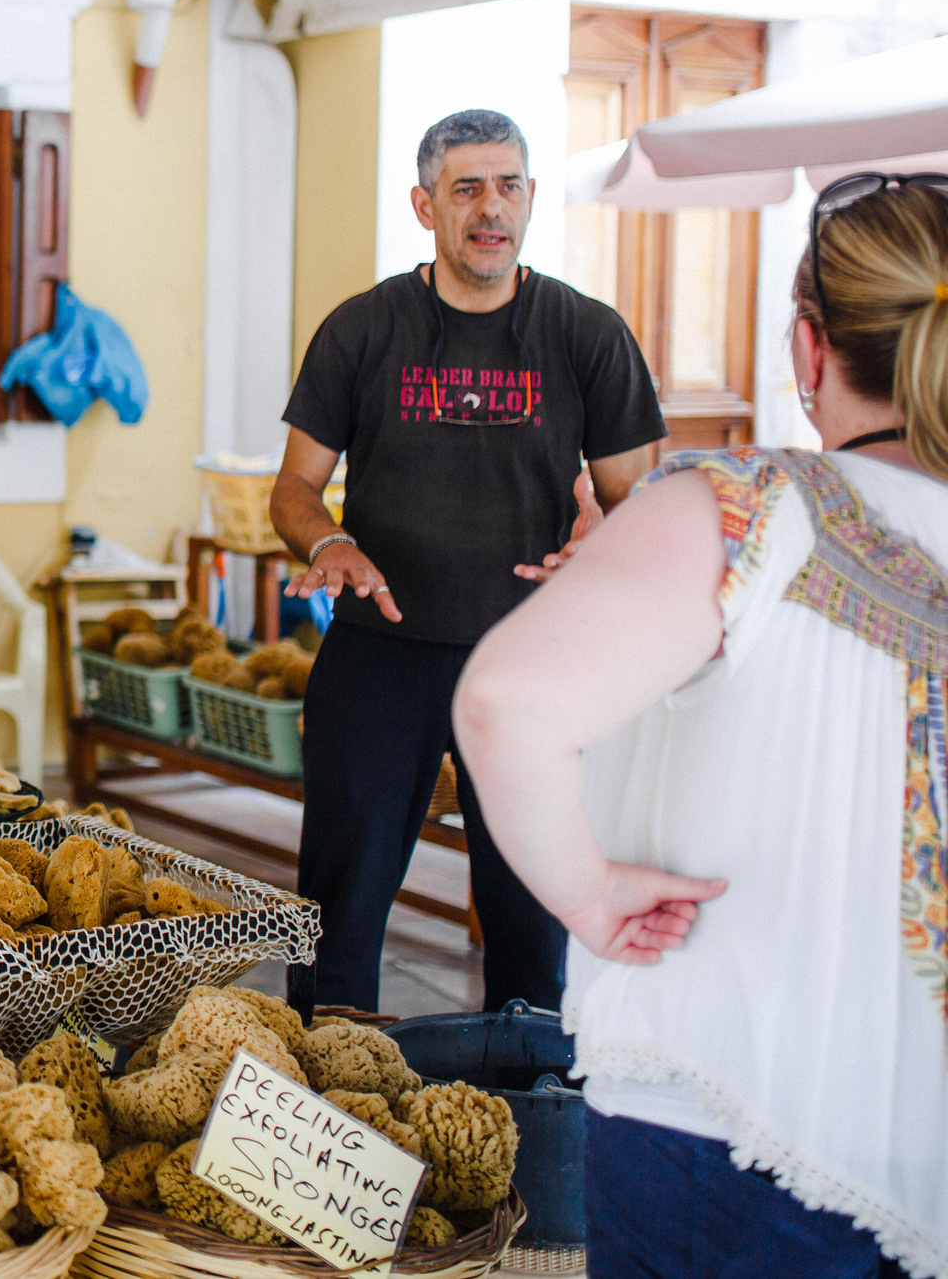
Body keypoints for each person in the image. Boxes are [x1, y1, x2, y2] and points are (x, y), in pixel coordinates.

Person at [455, 174, 948, 1278]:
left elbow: (507, 701)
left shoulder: (753, 509)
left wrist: (588, 894)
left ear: (808, 352)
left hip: (732, 1116)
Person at [276, 108, 665, 1017]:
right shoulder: (363, 328)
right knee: (336, 913)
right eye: (468, 189)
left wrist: (601, 541)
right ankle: (323, 1108)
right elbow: (294, 486)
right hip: (381, 653)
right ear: (425, 206)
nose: (493, 209)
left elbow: (635, 502)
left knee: (532, 916)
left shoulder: (586, 334)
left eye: (510, 186)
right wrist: (329, 541)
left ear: (528, 199)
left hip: (532, 661)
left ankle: (523, 1120)